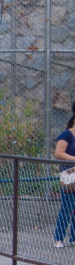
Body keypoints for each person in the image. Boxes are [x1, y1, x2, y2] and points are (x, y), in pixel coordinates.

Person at [54, 104, 75, 248]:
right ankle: (58, 238)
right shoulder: (66, 135)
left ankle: (73, 238)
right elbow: (58, 153)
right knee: (67, 206)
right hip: (70, 176)